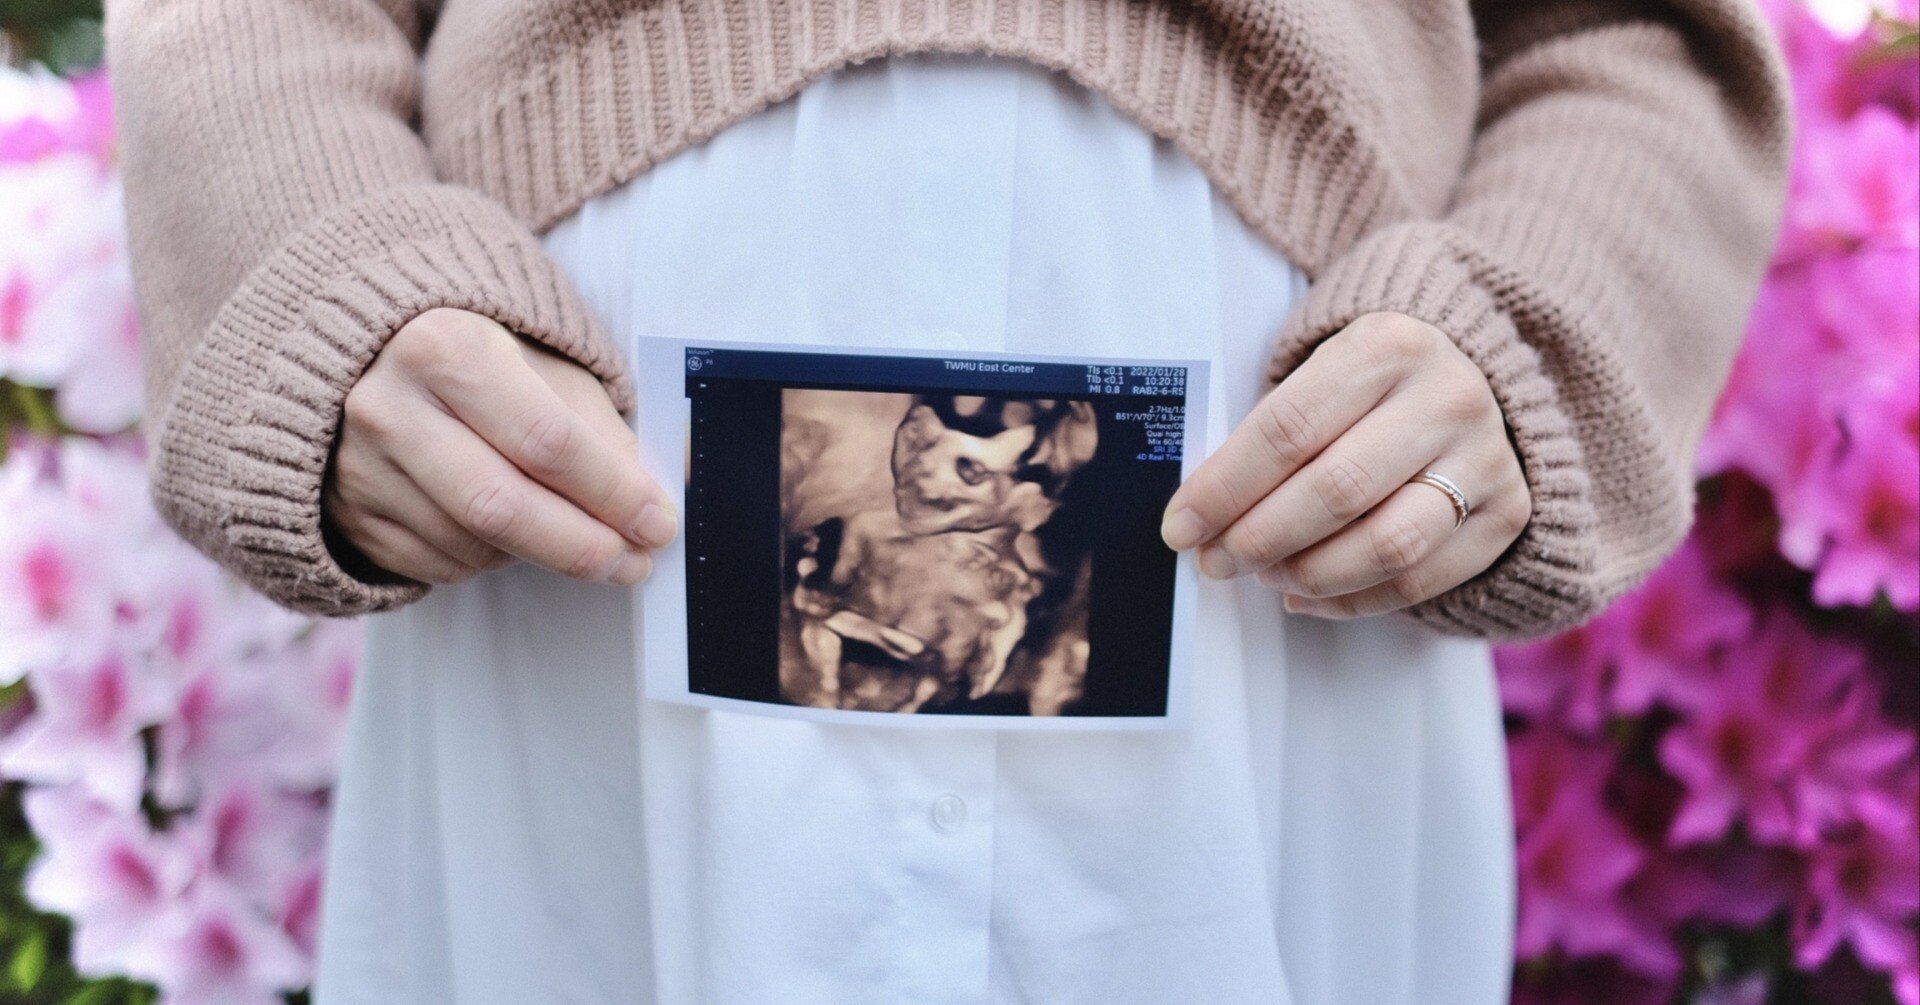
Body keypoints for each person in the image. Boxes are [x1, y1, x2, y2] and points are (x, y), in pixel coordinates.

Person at [103, 0, 1789, 1001]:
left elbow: (1638, 43)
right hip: (567, 603)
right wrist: (317, 257)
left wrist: (1537, 330)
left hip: (1290, 610)